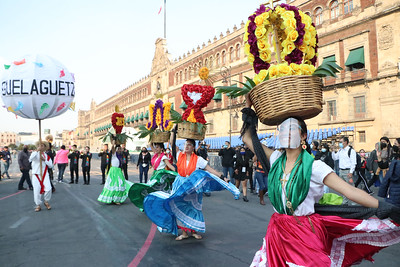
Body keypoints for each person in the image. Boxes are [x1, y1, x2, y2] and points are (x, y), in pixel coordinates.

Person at [241, 97, 400, 266]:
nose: (285, 133)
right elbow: (247, 138)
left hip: (303, 233)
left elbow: (349, 191)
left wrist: (381, 206)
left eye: (291, 129)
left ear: (303, 136)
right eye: (282, 129)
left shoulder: (315, 167)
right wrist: (248, 107)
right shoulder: (275, 159)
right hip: (277, 232)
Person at [143, 138, 237, 241]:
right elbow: (172, 142)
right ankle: (184, 233)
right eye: (185, 144)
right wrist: (174, 128)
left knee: (193, 208)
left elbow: (210, 169)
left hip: (192, 188)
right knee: (180, 207)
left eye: (189, 145)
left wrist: (222, 177)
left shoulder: (198, 159)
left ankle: (193, 231)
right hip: (180, 185)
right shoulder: (179, 155)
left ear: (193, 148)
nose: (186, 146)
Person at [331, 136, 357, 204]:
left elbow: (353, 162)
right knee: (343, 187)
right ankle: (345, 202)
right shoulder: (340, 150)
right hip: (341, 171)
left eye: (341, 142)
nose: (340, 143)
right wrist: (333, 151)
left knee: (350, 187)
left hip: (347, 171)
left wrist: (351, 172)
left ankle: (354, 201)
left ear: (345, 142)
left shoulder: (351, 151)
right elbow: (335, 158)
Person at [29, 141, 53, 212]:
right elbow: (30, 159)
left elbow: (51, 165)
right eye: (40, 145)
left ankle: (46, 201)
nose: (41, 147)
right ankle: (38, 205)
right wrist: (37, 151)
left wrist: (44, 160)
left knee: (48, 188)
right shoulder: (35, 154)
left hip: (44, 174)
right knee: (36, 191)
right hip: (36, 174)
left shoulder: (46, 156)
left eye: (43, 146)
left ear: (45, 147)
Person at [378, 138, 400, 207]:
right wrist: (379, 158)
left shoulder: (395, 160)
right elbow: (384, 166)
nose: (394, 146)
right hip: (393, 190)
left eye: (396, 144)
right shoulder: (394, 158)